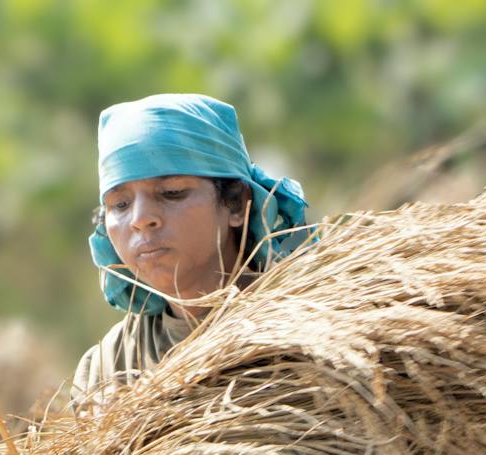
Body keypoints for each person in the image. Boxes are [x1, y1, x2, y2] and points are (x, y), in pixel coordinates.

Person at [71, 93, 312, 407]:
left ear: (237, 203)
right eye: (120, 204)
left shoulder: (300, 328)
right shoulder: (105, 370)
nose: (141, 219)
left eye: (172, 192)